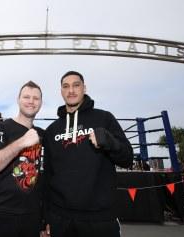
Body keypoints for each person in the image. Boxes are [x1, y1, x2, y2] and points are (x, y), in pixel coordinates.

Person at [43, 71, 133, 237]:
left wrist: (111, 143)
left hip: (100, 219)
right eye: (66, 86)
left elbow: (128, 159)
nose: (71, 90)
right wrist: (46, 218)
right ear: (61, 91)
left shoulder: (104, 118)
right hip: (60, 218)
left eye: (76, 85)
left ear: (84, 88)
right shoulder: (51, 130)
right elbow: (48, 175)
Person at [0, 81, 44, 237]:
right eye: (26, 97)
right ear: (18, 100)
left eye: (36, 98)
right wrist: (21, 143)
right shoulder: (2, 128)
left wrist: (46, 218)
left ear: (41, 103)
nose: (31, 101)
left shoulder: (43, 134)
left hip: (32, 217)